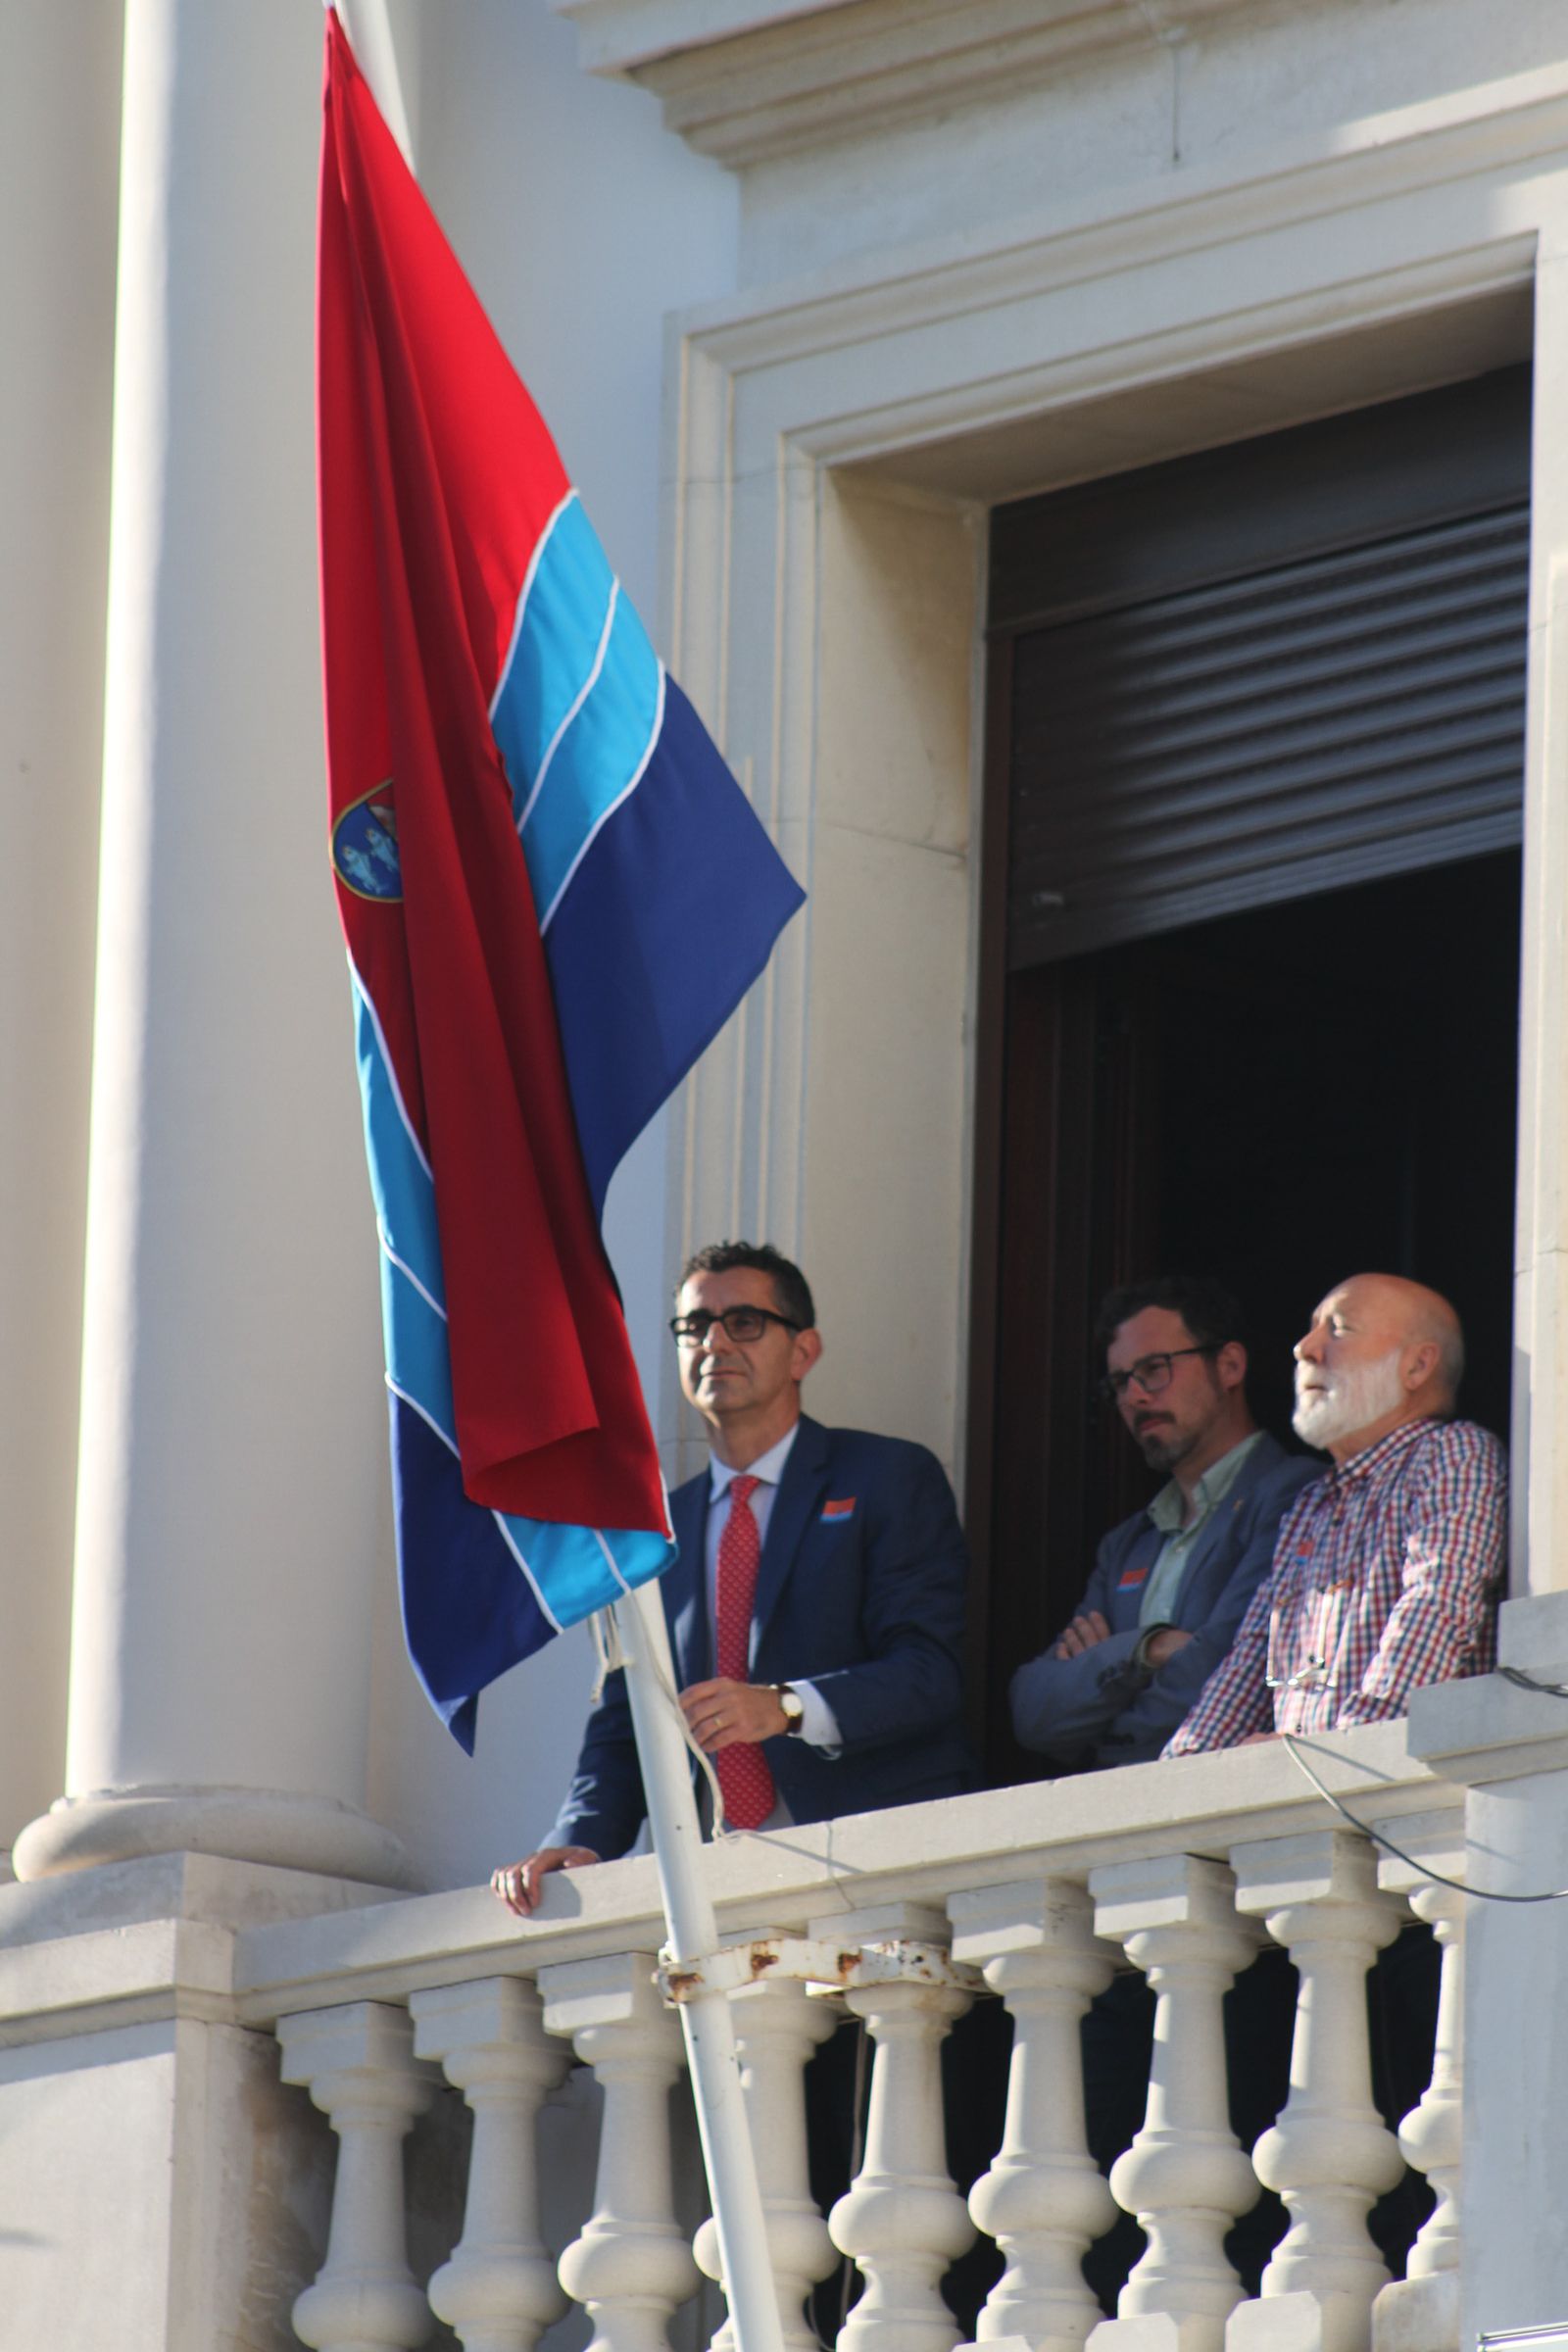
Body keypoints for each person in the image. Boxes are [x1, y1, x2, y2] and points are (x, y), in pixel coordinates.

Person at [492, 1240, 979, 1916]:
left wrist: (785, 1707)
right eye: (695, 1326)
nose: (714, 1342)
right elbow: (627, 1723)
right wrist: (579, 1841)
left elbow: (930, 1673)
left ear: (803, 1352)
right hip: (711, 1876)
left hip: (868, 1861)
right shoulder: (652, 1536)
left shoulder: (888, 1479)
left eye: (744, 1322)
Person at [1165, 1272, 1506, 1754]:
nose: (1304, 1348)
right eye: (1311, 1330)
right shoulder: (1312, 1504)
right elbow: (1252, 1658)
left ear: (1417, 1366)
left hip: (1400, 1790)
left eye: (1339, 1329)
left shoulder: (1452, 1454)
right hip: (1320, 1786)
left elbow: (1438, 1605)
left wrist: (1349, 1752)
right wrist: (1185, 1768)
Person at [1010, 1277, 1317, 1769]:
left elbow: (1231, 1670)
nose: (1134, 1397)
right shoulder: (1126, 1545)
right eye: (1119, 1383)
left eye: (1154, 1369)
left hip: (1234, 1795)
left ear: (1230, 1365)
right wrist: (1145, 1651)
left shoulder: (1297, 1494)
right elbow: (1032, 1713)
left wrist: (1107, 1732)